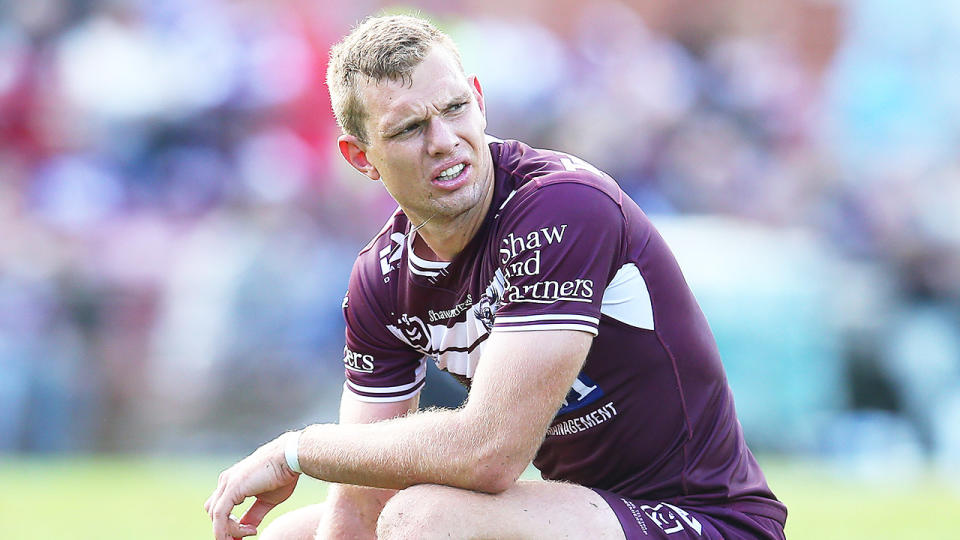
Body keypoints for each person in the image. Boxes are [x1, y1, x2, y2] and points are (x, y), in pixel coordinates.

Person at [204, 13, 787, 540]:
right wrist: (321, 467)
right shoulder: (381, 278)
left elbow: (489, 453)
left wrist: (298, 451)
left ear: (479, 100)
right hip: (578, 512)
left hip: (703, 519)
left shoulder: (562, 207)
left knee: (425, 520)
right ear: (360, 157)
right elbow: (357, 503)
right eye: (408, 129)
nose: (444, 142)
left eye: (455, 109)